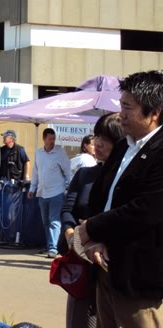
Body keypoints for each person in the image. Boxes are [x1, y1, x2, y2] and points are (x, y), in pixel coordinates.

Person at [78, 70, 163, 328]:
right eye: (120, 106)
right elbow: (99, 195)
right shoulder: (124, 146)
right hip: (104, 266)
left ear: (154, 112)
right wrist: (92, 240)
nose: (121, 114)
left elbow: (146, 209)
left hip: (139, 278)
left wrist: (90, 229)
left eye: (128, 108)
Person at [59, 113, 124, 328]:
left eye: (105, 138)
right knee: (78, 320)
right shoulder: (85, 174)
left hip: (109, 264)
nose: (98, 143)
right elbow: (67, 209)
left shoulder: (125, 178)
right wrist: (71, 236)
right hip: (80, 260)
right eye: (96, 136)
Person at [28, 128, 71, 258]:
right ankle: (50, 246)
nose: (52, 141)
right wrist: (32, 188)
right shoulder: (39, 153)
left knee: (54, 221)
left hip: (57, 192)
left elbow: (68, 171)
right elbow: (36, 172)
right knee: (46, 221)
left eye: (53, 139)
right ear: (44, 139)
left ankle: (53, 248)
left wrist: (70, 188)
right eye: (50, 139)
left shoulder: (60, 153)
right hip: (42, 193)